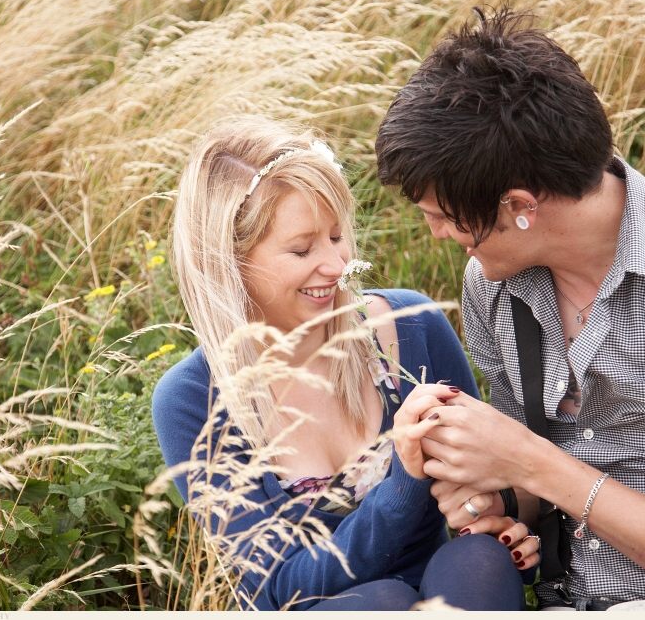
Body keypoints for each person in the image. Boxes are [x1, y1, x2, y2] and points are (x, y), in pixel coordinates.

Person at [374, 6, 645, 611]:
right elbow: (531, 493)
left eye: (441, 214)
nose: (436, 232)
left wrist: (531, 462)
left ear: (519, 204)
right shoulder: (493, 283)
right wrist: (486, 490)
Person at [151, 116, 536, 611]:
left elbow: (490, 490)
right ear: (230, 261)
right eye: (302, 248)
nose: (336, 265)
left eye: (336, 236)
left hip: (449, 597)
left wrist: (494, 514)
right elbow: (276, 588)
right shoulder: (193, 398)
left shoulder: (410, 327)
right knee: (381, 602)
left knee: (478, 560)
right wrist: (405, 479)